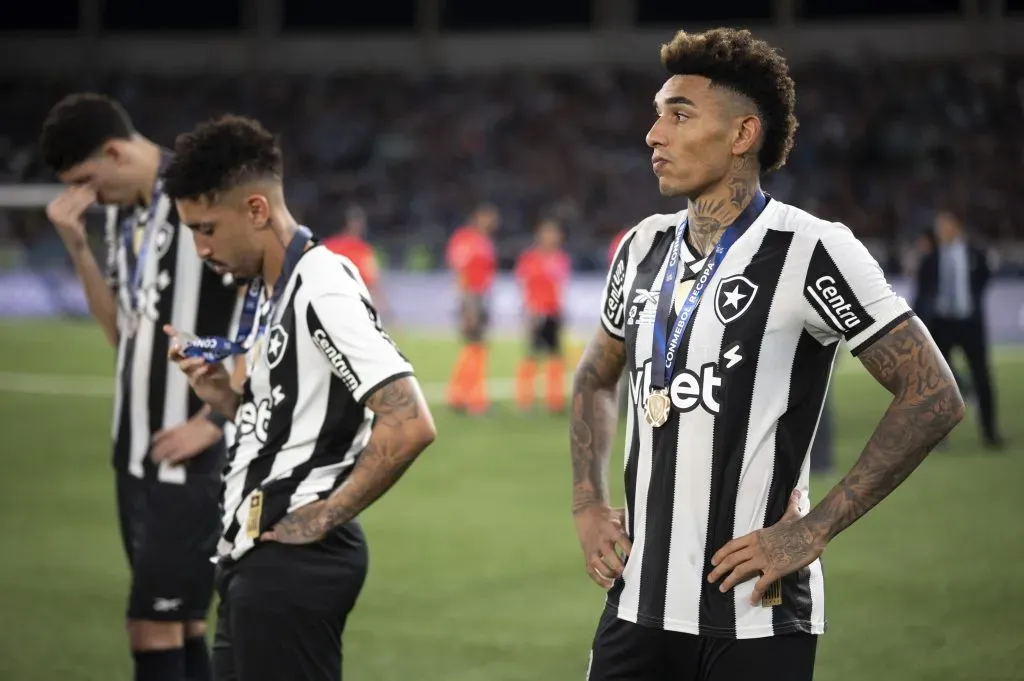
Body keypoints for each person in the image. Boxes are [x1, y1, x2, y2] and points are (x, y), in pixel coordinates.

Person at [569, 28, 965, 681]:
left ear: (742, 134)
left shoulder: (813, 251)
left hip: (757, 613)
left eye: (679, 114)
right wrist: (587, 500)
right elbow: (594, 373)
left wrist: (813, 531)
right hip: (636, 605)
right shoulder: (639, 248)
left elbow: (933, 393)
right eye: (656, 114)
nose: (654, 134)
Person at [161, 114, 437, 681]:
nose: (200, 248)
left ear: (257, 210)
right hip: (253, 556)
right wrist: (226, 398)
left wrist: (323, 518)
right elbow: (295, 426)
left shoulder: (322, 284)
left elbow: (408, 422)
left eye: (207, 228)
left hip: (291, 565)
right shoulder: (269, 290)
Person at [40, 93, 240, 681]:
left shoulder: (203, 193)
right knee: (182, 625)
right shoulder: (124, 214)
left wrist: (214, 422)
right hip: (134, 455)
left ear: (115, 151)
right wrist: (78, 245)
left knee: (149, 626)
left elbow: (268, 306)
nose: (86, 195)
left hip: (190, 461)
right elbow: (120, 333)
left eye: (86, 180)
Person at [915, 209, 1002, 449]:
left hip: (970, 323)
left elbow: (984, 279)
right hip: (942, 324)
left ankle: (990, 432)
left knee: (982, 376)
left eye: (944, 225)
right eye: (938, 226)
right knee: (940, 381)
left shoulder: (976, 253)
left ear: (957, 226)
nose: (940, 230)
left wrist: (971, 303)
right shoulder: (931, 258)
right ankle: (941, 436)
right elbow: (922, 290)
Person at [445, 203, 499, 415]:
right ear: (478, 217)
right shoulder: (465, 239)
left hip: (480, 296)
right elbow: (460, 272)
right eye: (489, 217)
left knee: (475, 347)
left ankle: (459, 395)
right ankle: (474, 400)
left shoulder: (484, 241)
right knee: (476, 347)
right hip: (471, 297)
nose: (493, 222)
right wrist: (467, 307)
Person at [514, 218, 572, 413]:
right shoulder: (530, 258)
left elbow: (561, 287)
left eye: (554, 234)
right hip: (536, 313)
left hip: (553, 312)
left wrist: (561, 310)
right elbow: (523, 285)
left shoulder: (561, 258)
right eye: (548, 233)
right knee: (531, 356)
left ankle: (554, 401)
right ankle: (525, 400)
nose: (552, 238)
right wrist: (529, 310)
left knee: (555, 356)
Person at [322, 205, 391, 322]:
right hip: (351, 306)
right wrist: (386, 310)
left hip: (328, 304)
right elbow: (372, 281)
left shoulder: (327, 246)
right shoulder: (362, 250)